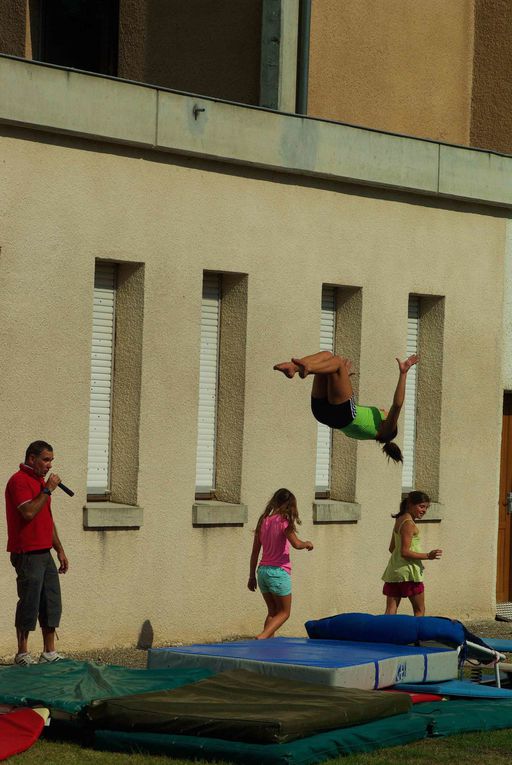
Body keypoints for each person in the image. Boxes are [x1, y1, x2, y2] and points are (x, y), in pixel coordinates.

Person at [273, 351, 418, 463]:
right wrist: (344, 378)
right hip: (324, 414)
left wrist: (403, 373)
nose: (385, 411)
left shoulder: (386, 431)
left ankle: (308, 368)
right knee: (327, 356)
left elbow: (397, 404)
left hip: (343, 415)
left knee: (337, 362)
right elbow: (339, 399)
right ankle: (294, 367)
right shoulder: (367, 430)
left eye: (386, 414)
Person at [5, 441, 69, 666]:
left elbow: (47, 521)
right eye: (45, 459)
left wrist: (60, 550)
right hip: (27, 553)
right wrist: (47, 489)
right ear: (31, 459)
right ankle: (22, 653)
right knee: (29, 602)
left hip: (45, 552)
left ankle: (49, 652)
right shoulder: (19, 481)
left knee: (50, 601)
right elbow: (29, 512)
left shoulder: (40, 483)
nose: (49, 465)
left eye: (51, 460)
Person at [248, 488, 313, 639]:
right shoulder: (284, 522)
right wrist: (307, 544)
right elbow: (296, 544)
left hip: (262, 572)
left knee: (273, 612)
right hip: (278, 573)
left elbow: (254, 553)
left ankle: (265, 646)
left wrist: (252, 576)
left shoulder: (263, 521)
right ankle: (262, 637)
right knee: (284, 613)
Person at [382, 491, 442, 616]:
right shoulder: (409, 524)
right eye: (421, 506)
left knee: (390, 611)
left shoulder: (399, 519)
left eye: (426, 507)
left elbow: (392, 548)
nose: (424, 510)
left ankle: (385, 634)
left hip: (394, 571)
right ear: (410, 504)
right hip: (409, 573)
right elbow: (405, 552)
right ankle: (417, 635)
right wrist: (427, 556)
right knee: (419, 609)